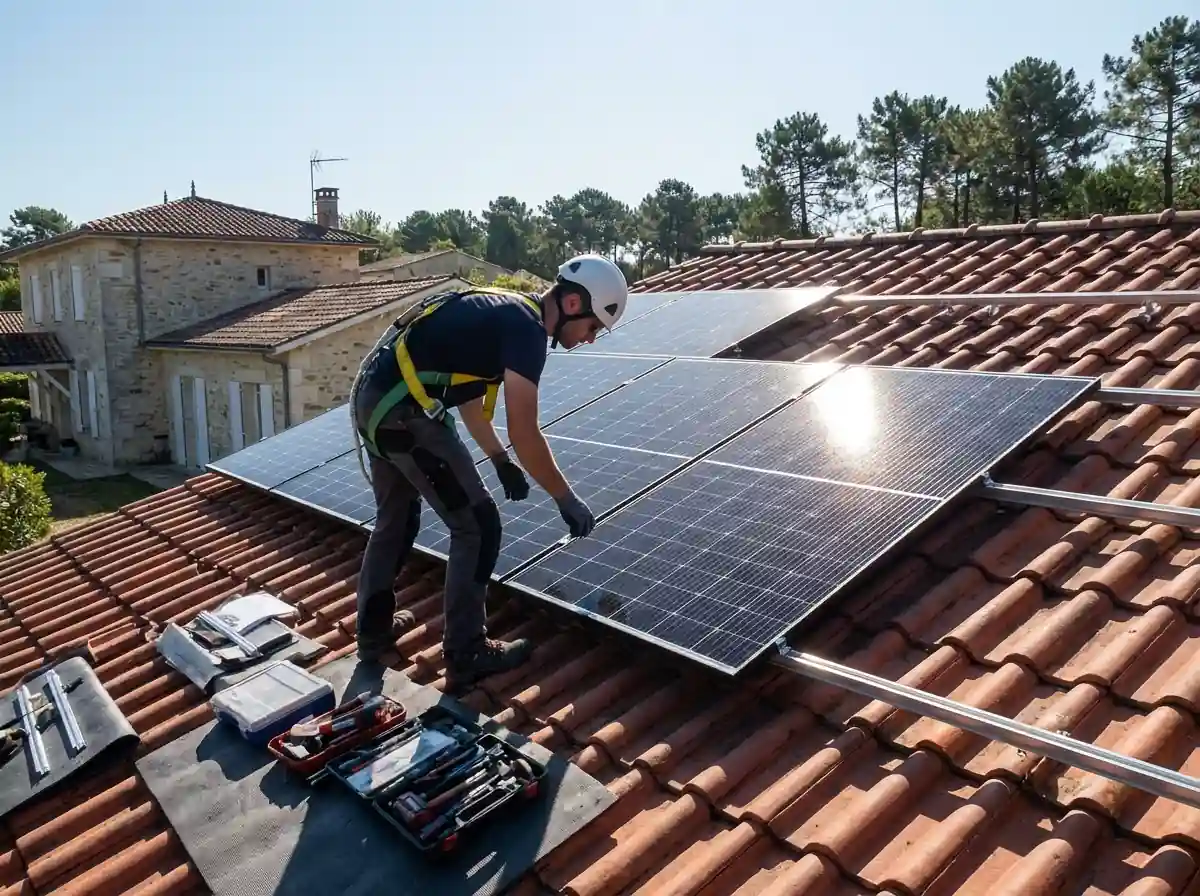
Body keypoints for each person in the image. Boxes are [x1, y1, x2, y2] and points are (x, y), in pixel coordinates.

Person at [348, 253, 629, 693]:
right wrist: (565, 499)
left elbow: (468, 403)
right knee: (477, 526)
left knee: (397, 520)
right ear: (573, 305)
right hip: (405, 413)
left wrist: (499, 460)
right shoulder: (527, 330)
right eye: (594, 327)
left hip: (378, 403)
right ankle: (466, 652)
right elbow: (525, 429)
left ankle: (373, 632)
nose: (591, 339)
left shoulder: (503, 311)